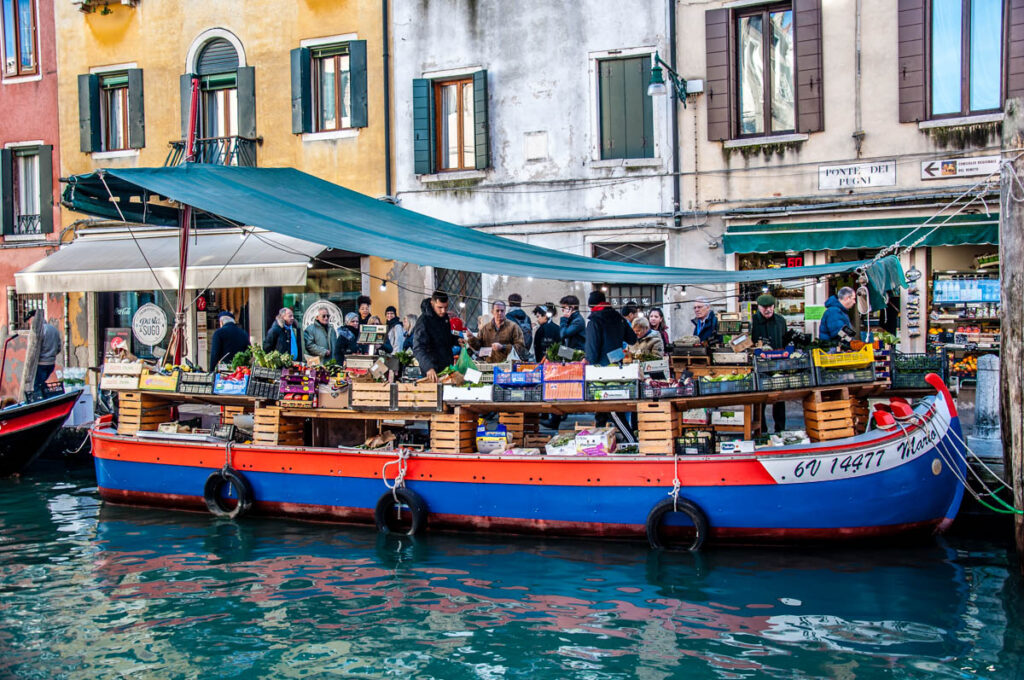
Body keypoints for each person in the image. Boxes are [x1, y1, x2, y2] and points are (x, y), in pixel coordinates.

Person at [751, 294, 788, 434]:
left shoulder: (780, 321)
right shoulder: (752, 321)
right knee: (760, 398)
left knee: (779, 397)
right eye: (764, 308)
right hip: (759, 364)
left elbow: (784, 339)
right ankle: (761, 429)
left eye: (771, 307)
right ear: (758, 307)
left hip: (778, 364)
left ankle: (780, 429)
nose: (768, 310)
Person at [584, 291, 637, 366]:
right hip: (618, 364)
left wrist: (589, 362)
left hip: (601, 368)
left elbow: (592, 350)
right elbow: (632, 339)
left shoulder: (594, 321)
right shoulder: (619, 317)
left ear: (591, 306)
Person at [413, 290, 455, 381]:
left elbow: (445, 338)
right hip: (432, 371)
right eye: (439, 307)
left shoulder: (444, 318)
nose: (443, 311)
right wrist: (428, 367)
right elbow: (418, 348)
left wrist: (457, 340)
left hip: (446, 368)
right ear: (432, 303)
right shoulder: (423, 321)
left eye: (446, 307)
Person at [26, 310, 61, 392]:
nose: (28, 322)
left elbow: (34, 350)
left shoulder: (38, 331)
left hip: (40, 364)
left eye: (29, 319)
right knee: (41, 385)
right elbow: (59, 348)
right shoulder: (53, 329)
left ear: (34, 318)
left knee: (36, 388)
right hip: (51, 364)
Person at [506, 293, 534, 360]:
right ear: (520, 302)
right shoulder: (527, 318)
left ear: (509, 303)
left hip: (512, 352)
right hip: (525, 350)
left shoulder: (507, 317)